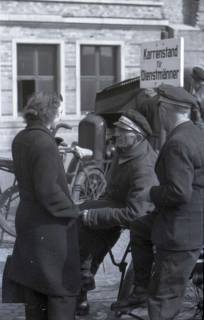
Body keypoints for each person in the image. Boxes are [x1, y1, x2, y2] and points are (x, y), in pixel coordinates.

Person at [3, 92, 80, 320]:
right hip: (49, 224)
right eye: (61, 110)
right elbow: (48, 191)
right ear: (52, 112)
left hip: (28, 220)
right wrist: (73, 211)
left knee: (35, 289)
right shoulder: (44, 143)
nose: (62, 114)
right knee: (60, 289)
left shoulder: (21, 138)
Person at [77, 109, 158, 315]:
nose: (116, 135)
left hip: (138, 215)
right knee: (78, 213)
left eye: (123, 132)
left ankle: (82, 283)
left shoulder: (143, 166)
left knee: (86, 220)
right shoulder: (124, 152)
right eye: (117, 130)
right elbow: (112, 191)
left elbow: (136, 213)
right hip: (118, 205)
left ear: (137, 136)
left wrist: (95, 216)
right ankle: (82, 280)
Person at [140, 84, 204, 320]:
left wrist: (152, 193)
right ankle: (138, 284)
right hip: (191, 225)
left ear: (164, 110)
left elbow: (179, 192)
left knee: (162, 300)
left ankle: (141, 286)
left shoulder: (178, 143)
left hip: (179, 233)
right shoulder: (196, 133)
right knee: (138, 227)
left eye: (158, 109)